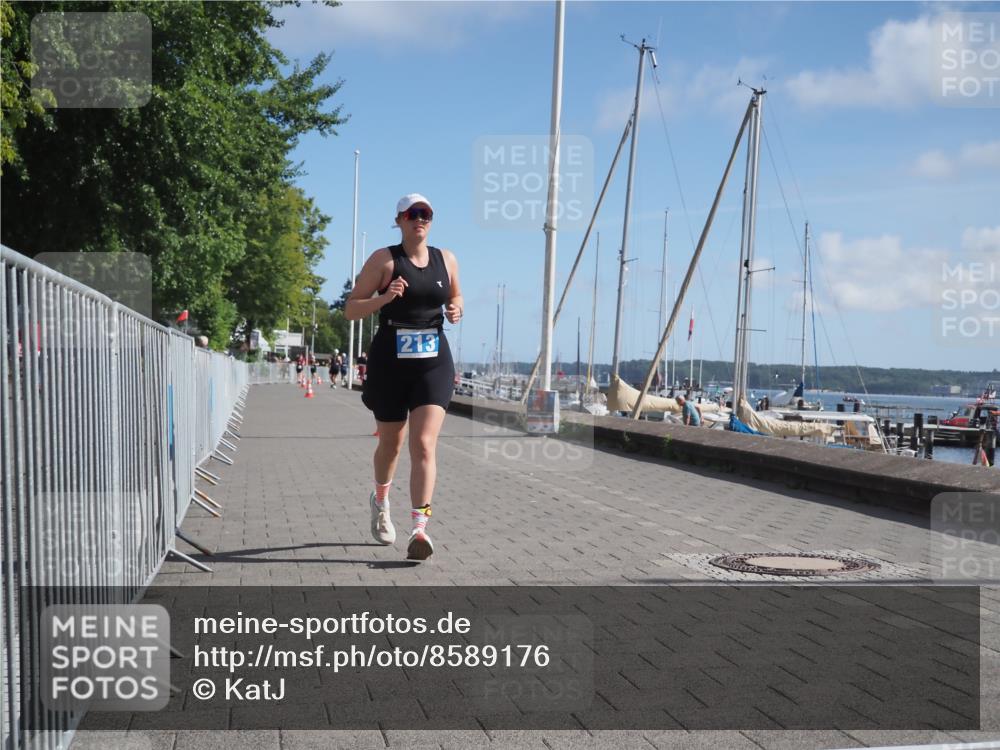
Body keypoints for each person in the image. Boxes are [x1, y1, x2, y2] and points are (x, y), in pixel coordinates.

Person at [345, 194, 462, 561]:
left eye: (426, 214)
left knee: (424, 444)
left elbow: (455, 295)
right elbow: (351, 309)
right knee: (392, 445)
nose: (420, 220)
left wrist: (456, 309)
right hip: (390, 360)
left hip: (432, 359)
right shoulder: (384, 259)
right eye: (413, 215)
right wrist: (384, 297)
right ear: (399, 220)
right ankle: (380, 501)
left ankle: (419, 529)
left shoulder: (447, 259)